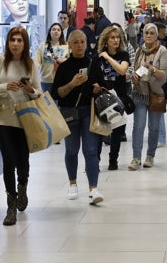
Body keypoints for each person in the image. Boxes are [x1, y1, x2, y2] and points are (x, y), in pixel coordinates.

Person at [0, 27, 42, 226]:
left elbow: (38, 93)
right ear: (7, 42)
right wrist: (4, 86)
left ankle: (22, 185)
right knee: (8, 159)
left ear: (25, 43)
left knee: (22, 159)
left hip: (24, 117)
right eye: (12, 40)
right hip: (2, 117)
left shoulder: (30, 64)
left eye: (19, 40)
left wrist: (28, 88)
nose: (15, 43)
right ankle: (11, 204)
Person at [52, 30, 105, 204]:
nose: (80, 45)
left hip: (89, 111)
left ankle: (93, 188)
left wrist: (97, 88)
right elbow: (57, 93)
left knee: (90, 150)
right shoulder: (64, 67)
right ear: (70, 45)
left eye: (82, 41)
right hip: (69, 112)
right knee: (72, 149)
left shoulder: (93, 63)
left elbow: (102, 85)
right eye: (76, 42)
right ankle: (72, 183)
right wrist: (72, 84)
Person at [129, 23, 167, 170]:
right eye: (146, 33)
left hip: (156, 94)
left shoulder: (163, 51)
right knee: (138, 126)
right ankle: (136, 157)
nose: (148, 35)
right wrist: (133, 76)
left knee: (153, 128)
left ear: (157, 35)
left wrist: (152, 68)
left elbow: (164, 75)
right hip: (140, 93)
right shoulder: (140, 50)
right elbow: (135, 69)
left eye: (152, 33)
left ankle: (150, 156)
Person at [96, 26, 130, 170]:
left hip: (119, 96)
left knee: (117, 131)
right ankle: (95, 161)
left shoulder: (123, 55)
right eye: (112, 38)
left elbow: (122, 70)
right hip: (102, 96)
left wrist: (108, 57)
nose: (116, 40)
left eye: (117, 37)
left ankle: (113, 161)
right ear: (106, 40)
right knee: (99, 130)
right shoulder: (98, 57)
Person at [33, 22, 69, 92]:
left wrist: (63, 60)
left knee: (58, 102)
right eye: (54, 29)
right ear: (50, 32)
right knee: (47, 102)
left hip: (61, 80)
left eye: (58, 30)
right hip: (46, 80)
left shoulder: (66, 46)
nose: (56, 31)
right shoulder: (43, 46)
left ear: (61, 33)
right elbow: (36, 62)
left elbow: (71, 62)